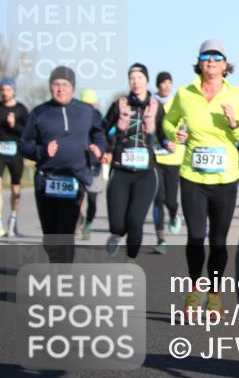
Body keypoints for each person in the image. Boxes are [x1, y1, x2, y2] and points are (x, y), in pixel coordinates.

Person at [162, 40, 239, 318]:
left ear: (226, 65)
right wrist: (173, 134)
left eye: (218, 57)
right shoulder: (185, 93)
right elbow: (168, 121)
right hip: (192, 175)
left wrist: (233, 123)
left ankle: (214, 293)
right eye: (207, 56)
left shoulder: (238, 96)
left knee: (218, 241)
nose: (212, 61)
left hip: (225, 179)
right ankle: (194, 289)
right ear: (200, 62)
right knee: (194, 237)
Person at [19, 66, 106, 263]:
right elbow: (24, 145)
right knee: (50, 237)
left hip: (74, 178)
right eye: (56, 84)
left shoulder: (86, 111)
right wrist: (41, 152)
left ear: (73, 88)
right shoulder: (39, 113)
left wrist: (99, 149)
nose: (60, 89)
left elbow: (99, 134)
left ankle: (61, 277)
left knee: (65, 234)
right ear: (50, 87)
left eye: (65, 85)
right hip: (45, 180)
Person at [102, 64, 168, 261]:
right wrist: (104, 148)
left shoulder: (156, 106)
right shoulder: (119, 105)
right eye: (132, 78)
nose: (135, 81)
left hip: (146, 173)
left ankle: (130, 259)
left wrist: (168, 143)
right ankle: (116, 235)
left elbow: (164, 134)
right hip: (121, 171)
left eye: (139, 77)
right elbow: (102, 129)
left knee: (135, 221)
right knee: (118, 225)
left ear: (146, 81)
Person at [0, 77, 29, 239]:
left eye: (8, 90)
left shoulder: (22, 110)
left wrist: (14, 125)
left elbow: (26, 132)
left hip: (16, 152)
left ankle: (13, 219)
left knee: (15, 190)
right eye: (2, 90)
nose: (5, 93)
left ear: (14, 91)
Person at [152, 71, 184, 253]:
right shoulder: (151, 103)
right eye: (162, 83)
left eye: (168, 82)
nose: (166, 86)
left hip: (174, 157)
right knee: (157, 198)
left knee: (170, 200)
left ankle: (173, 213)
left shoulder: (177, 102)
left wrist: (178, 139)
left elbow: (185, 126)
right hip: (154, 158)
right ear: (158, 85)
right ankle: (160, 237)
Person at [77, 88, 103, 240]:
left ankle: (88, 223)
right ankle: (78, 218)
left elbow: (104, 136)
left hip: (94, 162)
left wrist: (103, 150)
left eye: (90, 105)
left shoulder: (98, 117)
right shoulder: (76, 117)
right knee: (78, 196)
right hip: (79, 162)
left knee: (92, 199)